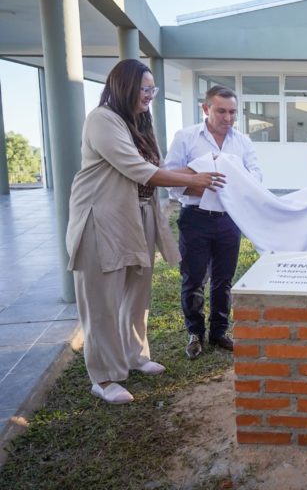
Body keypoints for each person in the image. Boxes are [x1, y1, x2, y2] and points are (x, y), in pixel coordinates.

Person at [66, 59, 224, 404]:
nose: (150, 95)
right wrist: (192, 179)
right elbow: (138, 169)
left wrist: (203, 169)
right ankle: (104, 377)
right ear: (124, 87)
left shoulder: (139, 122)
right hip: (101, 220)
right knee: (102, 301)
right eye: (145, 89)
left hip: (138, 217)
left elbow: (157, 167)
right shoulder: (101, 119)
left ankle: (135, 356)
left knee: (137, 294)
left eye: (153, 89)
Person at [165, 86, 262, 359]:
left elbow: (256, 175)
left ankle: (220, 332)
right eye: (221, 111)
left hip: (229, 219)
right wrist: (195, 184)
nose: (228, 118)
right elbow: (170, 178)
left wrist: (235, 174)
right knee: (194, 278)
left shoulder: (242, 142)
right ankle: (195, 333)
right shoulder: (185, 137)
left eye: (232, 112)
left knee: (224, 279)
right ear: (206, 109)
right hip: (195, 218)